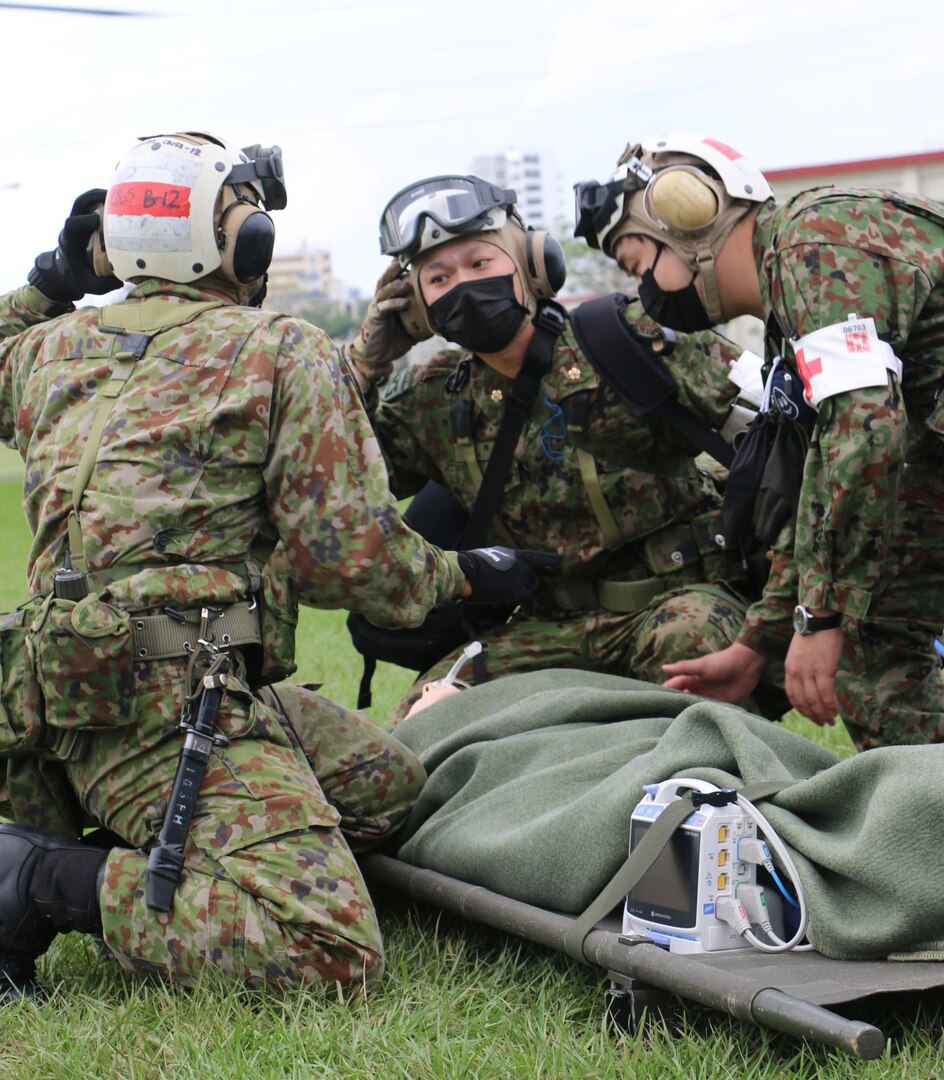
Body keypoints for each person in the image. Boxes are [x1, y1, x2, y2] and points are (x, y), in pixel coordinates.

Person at [0, 132, 554, 1001]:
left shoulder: (49, 350)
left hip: (64, 693)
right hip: (167, 704)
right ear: (238, 242)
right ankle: (36, 879)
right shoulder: (278, 348)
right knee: (323, 948)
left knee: (385, 786)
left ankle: (129, 845)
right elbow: (354, 563)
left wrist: (52, 283)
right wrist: (471, 572)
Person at [344, 174, 787, 721]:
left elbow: (779, 436)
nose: (462, 285)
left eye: (480, 264)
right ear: (419, 307)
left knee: (689, 666)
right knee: (425, 718)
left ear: (531, 265)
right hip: (544, 623)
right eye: (439, 277)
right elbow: (335, 481)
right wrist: (361, 366)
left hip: (678, 599)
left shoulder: (630, 338)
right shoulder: (428, 400)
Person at [575, 132, 944, 749]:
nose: (644, 291)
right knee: (875, 637)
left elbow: (866, 431)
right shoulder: (788, 315)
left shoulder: (812, 242)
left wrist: (821, 617)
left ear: (689, 218)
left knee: (864, 625)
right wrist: (760, 642)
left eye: (639, 265)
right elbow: (818, 483)